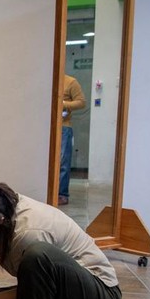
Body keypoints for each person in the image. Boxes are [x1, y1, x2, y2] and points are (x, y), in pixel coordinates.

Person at [59, 74, 86, 205]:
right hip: (46, 126)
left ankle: (62, 194)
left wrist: (64, 104)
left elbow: (81, 102)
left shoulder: (71, 81)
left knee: (63, 161)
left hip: (64, 126)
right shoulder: (46, 80)